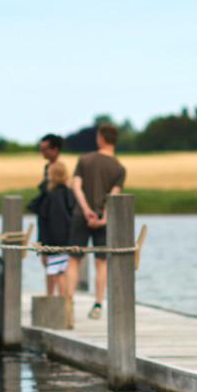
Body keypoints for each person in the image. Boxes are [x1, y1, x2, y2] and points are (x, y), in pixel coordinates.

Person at [65, 124, 126, 320]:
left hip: (80, 215)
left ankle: (68, 303)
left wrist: (86, 210)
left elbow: (76, 186)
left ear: (100, 138)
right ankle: (98, 305)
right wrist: (103, 217)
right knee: (101, 262)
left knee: (74, 260)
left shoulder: (84, 160)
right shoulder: (119, 168)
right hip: (103, 219)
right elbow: (114, 196)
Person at [29, 160, 76, 298]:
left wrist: (42, 245)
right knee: (61, 271)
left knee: (54, 272)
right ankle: (64, 301)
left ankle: (54, 299)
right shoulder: (69, 194)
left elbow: (39, 214)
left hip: (52, 241)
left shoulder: (49, 196)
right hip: (67, 240)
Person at [31, 133, 64, 290]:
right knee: (50, 262)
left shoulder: (59, 169)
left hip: (55, 224)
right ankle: (54, 298)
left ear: (55, 149)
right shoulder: (47, 167)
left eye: (45, 149)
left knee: (54, 263)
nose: (42, 153)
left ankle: (53, 298)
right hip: (46, 220)